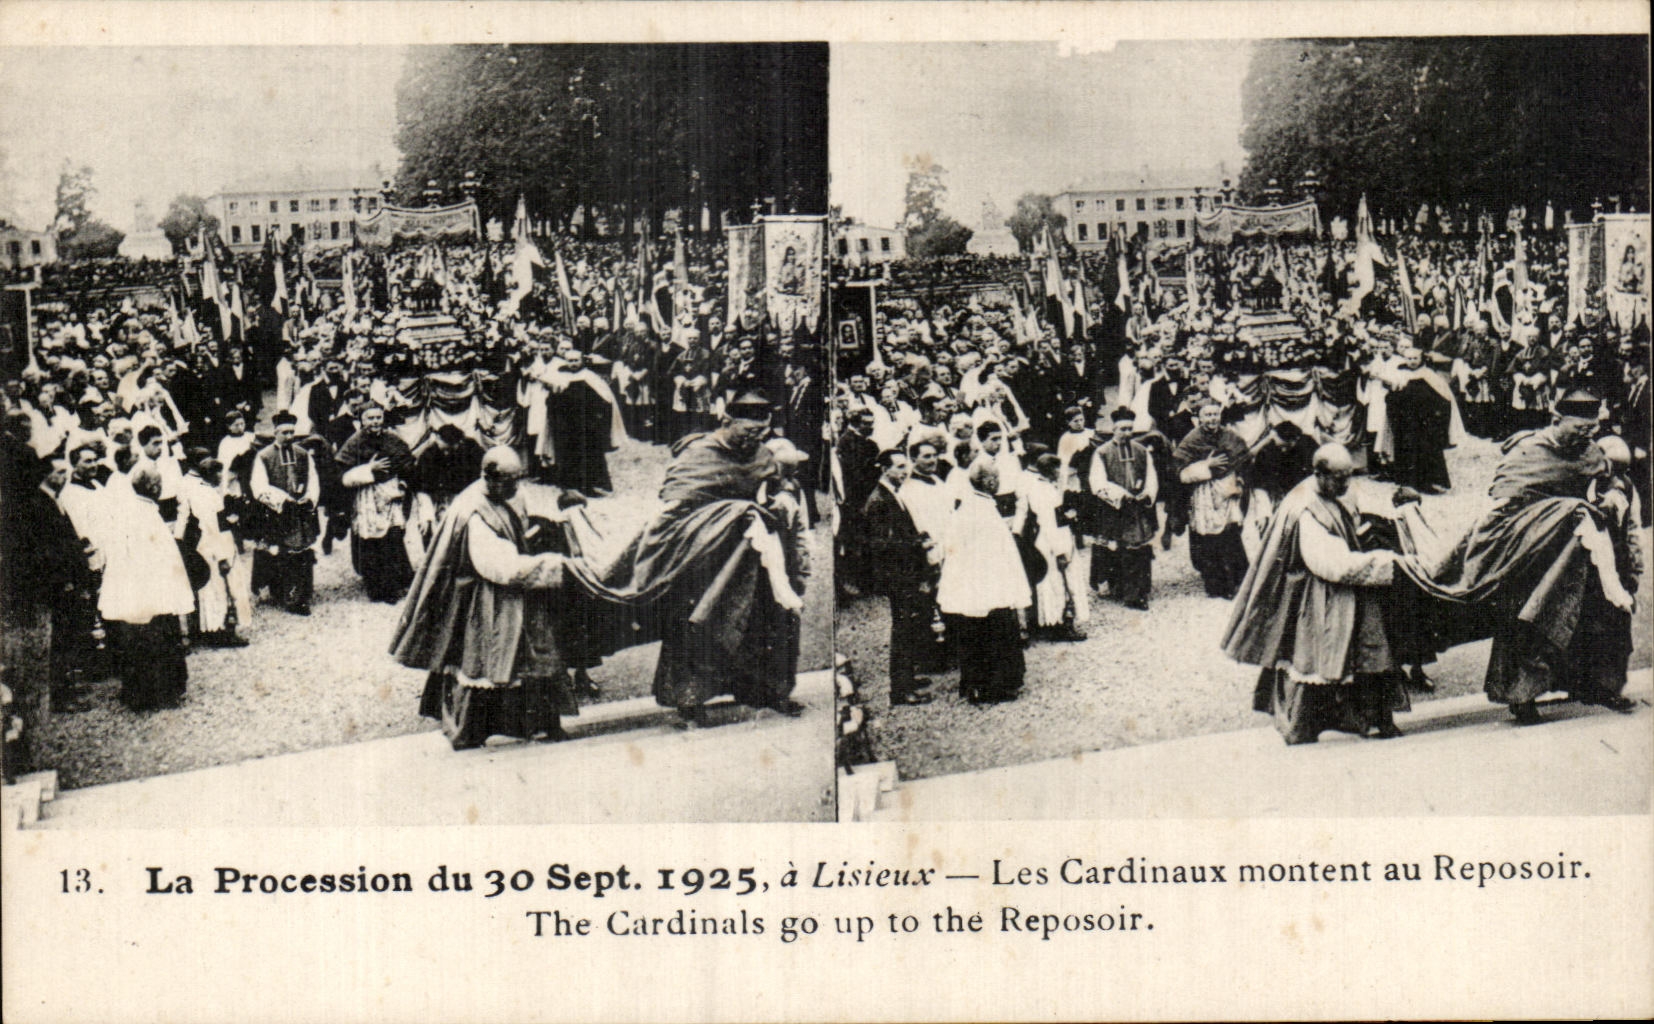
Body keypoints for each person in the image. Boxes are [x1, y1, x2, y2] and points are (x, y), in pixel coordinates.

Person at [392, 447, 579, 750]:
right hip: (486, 594)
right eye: (510, 481)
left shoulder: (508, 492)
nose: (516, 487)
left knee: (534, 653)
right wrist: (555, 567)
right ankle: (474, 731)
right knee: (489, 659)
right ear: (490, 479)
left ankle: (541, 724)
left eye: (518, 479)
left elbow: (522, 518)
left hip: (515, 585)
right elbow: (500, 568)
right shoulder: (473, 512)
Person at [1222, 444, 1408, 744]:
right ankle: (1306, 726)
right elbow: (1332, 565)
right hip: (1318, 591)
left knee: (1371, 648)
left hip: (1348, 582)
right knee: (1318, 658)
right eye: (1338, 478)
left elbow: (1360, 504)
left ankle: (1371, 718)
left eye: (1349, 477)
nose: (1345, 484)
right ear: (1319, 474)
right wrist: (1390, 565)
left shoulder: (1337, 488)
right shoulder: (1305, 508)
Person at [100, 465, 196, 712]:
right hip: (150, 589)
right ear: (153, 487)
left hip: (140, 589)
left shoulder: (133, 509)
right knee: (154, 638)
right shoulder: (143, 513)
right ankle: (155, 694)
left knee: (141, 639)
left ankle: (145, 692)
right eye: (159, 483)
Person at [936, 461, 1031, 705]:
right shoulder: (983, 510)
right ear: (989, 482)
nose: (997, 482)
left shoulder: (968, 507)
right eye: (995, 478)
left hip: (972, 585)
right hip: (987, 584)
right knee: (993, 633)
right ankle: (993, 686)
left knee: (972, 633)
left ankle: (974, 685)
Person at [862, 449, 938, 706]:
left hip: (904, 571)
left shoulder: (892, 493)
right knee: (903, 629)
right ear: (885, 469)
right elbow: (883, 544)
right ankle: (900, 689)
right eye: (899, 466)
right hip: (897, 575)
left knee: (910, 625)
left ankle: (908, 677)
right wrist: (918, 545)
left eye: (906, 466)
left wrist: (918, 537)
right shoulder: (879, 501)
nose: (904, 471)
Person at [336, 404, 415, 603]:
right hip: (367, 496)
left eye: (378, 417)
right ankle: (376, 588)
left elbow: (407, 463)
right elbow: (342, 475)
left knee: (393, 537)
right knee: (371, 541)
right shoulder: (354, 442)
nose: (375, 422)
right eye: (370, 418)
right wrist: (369, 469)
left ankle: (394, 584)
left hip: (390, 495)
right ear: (362, 420)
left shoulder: (393, 439)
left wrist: (403, 483)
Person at [1175, 402, 1251, 598]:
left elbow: (1244, 459)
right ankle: (1217, 586)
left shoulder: (1231, 437)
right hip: (1205, 494)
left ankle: (1239, 583)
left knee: (1231, 535)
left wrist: (1239, 479)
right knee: (1210, 539)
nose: (1212, 419)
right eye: (1207, 415)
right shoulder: (1192, 439)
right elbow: (1180, 472)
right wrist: (1207, 465)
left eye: (1215, 414)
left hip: (1227, 492)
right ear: (1200, 418)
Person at [1089, 406, 1159, 610]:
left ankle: (1137, 592)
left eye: (1129, 429)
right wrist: (1121, 495)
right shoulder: (1102, 452)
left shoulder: (1141, 450)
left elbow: (1151, 476)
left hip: (1137, 507)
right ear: (1113, 429)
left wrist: (1146, 493)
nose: (1126, 433)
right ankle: (1118, 587)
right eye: (1122, 429)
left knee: (1137, 549)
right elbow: (1097, 481)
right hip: (1115, 507)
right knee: (1114, 547)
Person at [251, 410, 320, 615]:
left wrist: (309, 498)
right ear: (275, 433)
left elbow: (313, 479)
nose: (289, 437)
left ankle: (301, 593)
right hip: (278, 512)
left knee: (301, 551)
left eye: (292, 432)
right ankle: (284, 593)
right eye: (284, 432)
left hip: (300, 511)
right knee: (280, 552)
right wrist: (283, 500)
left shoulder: (302, 453)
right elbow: (259, 485)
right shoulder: (264, 456)